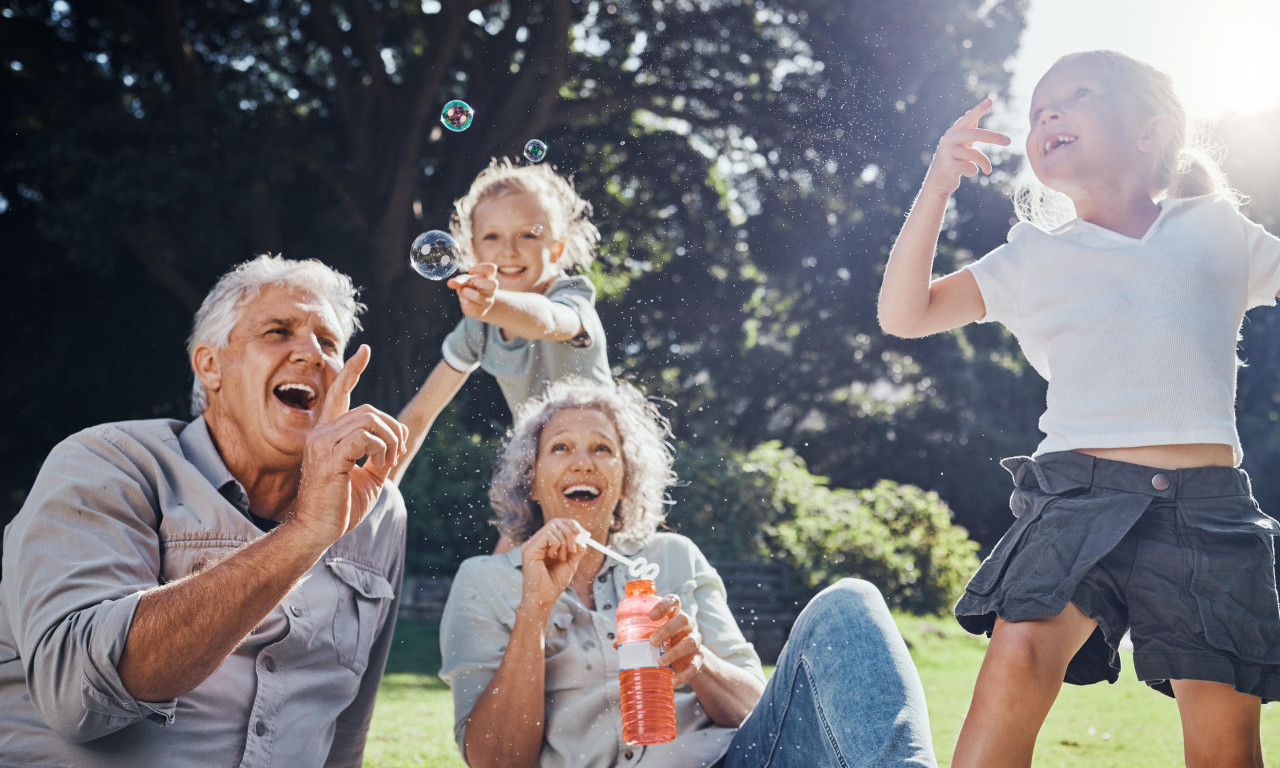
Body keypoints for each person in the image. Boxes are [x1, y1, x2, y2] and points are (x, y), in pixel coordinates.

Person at [878, 50, 1280, 767]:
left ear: (1153, 132)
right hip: (1077, 496)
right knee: (1020, 653)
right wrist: (938, 183)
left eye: (1075, 97)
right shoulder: (1032, 255)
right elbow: (905, 313)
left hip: (1208, 516)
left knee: (1225, 746)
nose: (1047, 117)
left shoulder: (1218, 231)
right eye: (1037, 112)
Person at [0, 255, 410, 766]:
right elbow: (75, 700)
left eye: (329, 344)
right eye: (278, 331)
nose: (312, 355)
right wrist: (305, 534)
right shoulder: (108, 462)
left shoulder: (378, 507)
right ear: (210, 366)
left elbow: (345, 726)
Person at [438, 377, 936, 768]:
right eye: (560, 448)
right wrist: (534, 613)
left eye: (603, 448)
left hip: (728, 761)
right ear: (532, 478)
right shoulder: (484, 581)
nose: (584, 462)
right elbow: (497, 762)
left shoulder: (674, 556)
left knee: (850, 601)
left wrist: (698, 663)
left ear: (625, 481)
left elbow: (761, 715)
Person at [391, 157, 612, 488]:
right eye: (492, 237)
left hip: (601, 461)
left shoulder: (571, 296)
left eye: (527, 235)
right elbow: (420, 414)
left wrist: (495, 304)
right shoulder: (479, 326)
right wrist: (375, 490)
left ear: (557, 247)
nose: (508, 250)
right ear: (472, 250)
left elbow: (548, 319)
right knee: (515, 539)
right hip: (542, 467)